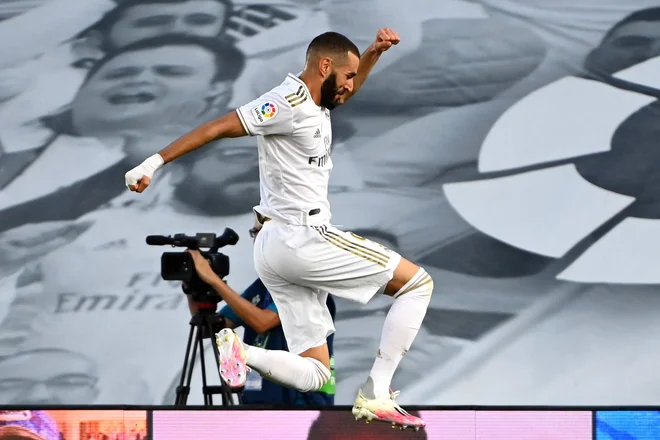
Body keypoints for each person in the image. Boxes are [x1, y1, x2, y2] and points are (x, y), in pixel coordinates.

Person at [124, 30, 433, 429]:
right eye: (349, 76)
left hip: (275, 247)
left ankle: (241, 351)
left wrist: (372, 54)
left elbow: (344, 92)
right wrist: (153, 162)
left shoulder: (316, 104)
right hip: (303, 235)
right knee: (418, 284)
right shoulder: (286, 102)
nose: (352, 87)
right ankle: (376, 392)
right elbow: (219, 126)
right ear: (325, 67)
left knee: (317, 372)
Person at [185, 219, 336, 405]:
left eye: (263, 231)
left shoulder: (304, 283)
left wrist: (212, 279)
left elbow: (263, 322)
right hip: (257, 400)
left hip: (300, 405)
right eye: (255, 232)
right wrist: (192, 286)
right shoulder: (261, 287)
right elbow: (209, 328)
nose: (257, 238)